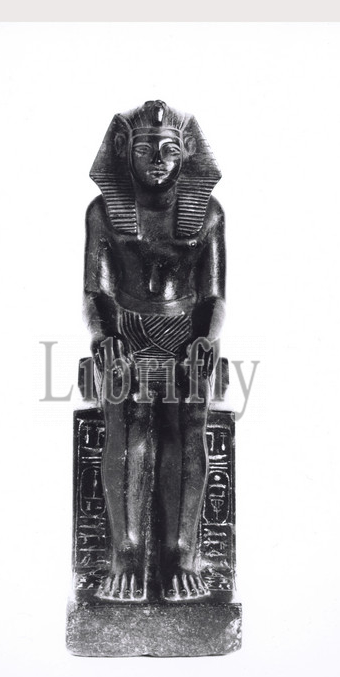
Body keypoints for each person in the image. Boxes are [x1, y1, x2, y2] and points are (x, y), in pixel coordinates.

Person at [84, 100, 226, 601]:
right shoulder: (104, 212)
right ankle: (125, 553)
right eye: (146, 149)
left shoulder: (207, 213)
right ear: (124, 152)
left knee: (187, 422)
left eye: (169, 149)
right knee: (129, 421)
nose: (158, 160)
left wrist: (206, 339)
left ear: (187, 153)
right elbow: (95, 293)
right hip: (125, 330)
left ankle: (181, 553)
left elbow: (213, 297)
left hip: (185, 333)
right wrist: (103, 338)